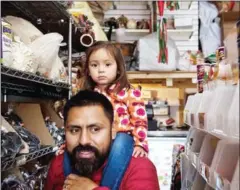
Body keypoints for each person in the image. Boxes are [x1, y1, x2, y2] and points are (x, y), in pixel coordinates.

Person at [44, 90, 160, 190]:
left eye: (95, 129)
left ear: (113, 129)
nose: (84, 141)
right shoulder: (58, 165)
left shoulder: (139, 168)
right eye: (74, 130)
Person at [58, 41, 148, 157]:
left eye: (107, 64)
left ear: (119, 68)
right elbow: (79, 122)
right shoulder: (88, 95)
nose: (101, 70)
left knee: (119, 145)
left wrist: (140, 144)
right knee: (66, 155)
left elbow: (140, 120)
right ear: (88, 71)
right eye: (94, 65)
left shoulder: (130, 92)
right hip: (95, 138)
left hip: (121, 138)